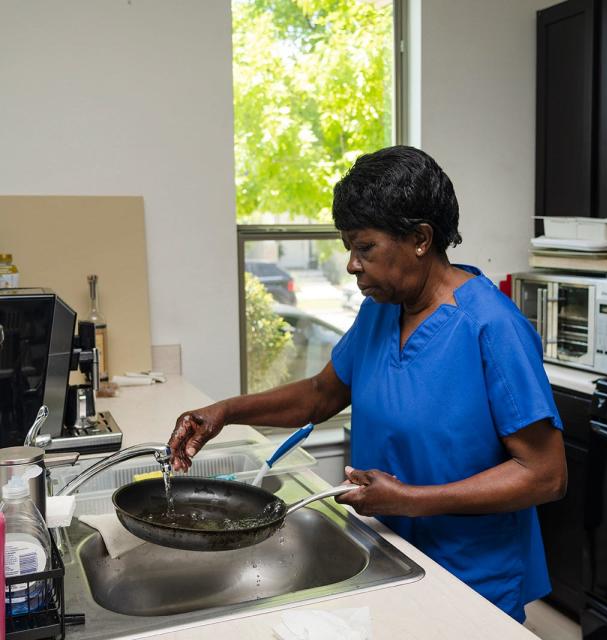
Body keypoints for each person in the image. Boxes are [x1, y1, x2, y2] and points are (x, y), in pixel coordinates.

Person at [167, 145, 567, 622]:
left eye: (365, 248)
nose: (352, 265)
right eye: (348, 249)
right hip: (390, 555)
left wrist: (411, 501)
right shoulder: (381, 311)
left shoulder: (491, 327)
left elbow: (545, 474)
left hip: (470, 579)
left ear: (421, 238)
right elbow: (322, 394)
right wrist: (224, 412)